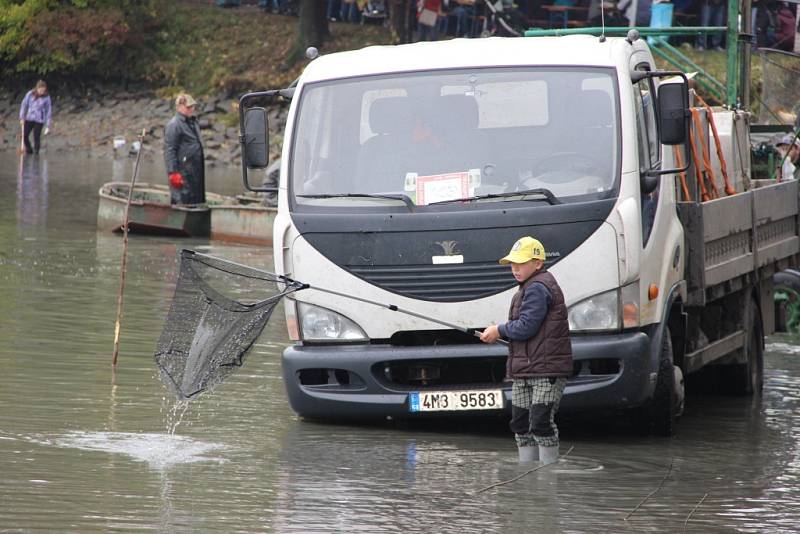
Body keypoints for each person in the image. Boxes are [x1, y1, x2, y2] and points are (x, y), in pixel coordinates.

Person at [480, 237, 573, 466]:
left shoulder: (538, 288)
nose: (515, 268)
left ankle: (547, 475)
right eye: (512, 263)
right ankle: (527, 473)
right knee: (521, 423)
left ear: (538, 263)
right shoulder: (526, 289)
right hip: (525, 371)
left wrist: (498, 330)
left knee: (541, 422)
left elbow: (526, 326)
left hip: (546, 371)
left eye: (521, 263)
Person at [163, 93, 206, 205]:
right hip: (183, 171)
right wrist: (173, 173)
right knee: (182, 199)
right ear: (179, 107)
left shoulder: (193, 122)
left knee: (196, 198)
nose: (191, 109)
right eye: (188, 107)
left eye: (192, 106)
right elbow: (169, 150)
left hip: (195, 169)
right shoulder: (174, 125)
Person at [18, 80, 52, 155]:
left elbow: (48, 111)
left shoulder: (47, 97)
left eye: (43, 90)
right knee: (25, 135)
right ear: (37, 88)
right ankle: (29, 150)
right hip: (29, 117)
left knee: (36, 136)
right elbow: (24, 105)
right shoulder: (30, 94)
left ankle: (36, 153)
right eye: (40, 90)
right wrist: (21, 117)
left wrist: (48, 125)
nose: (42, 92)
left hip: (39, 119)